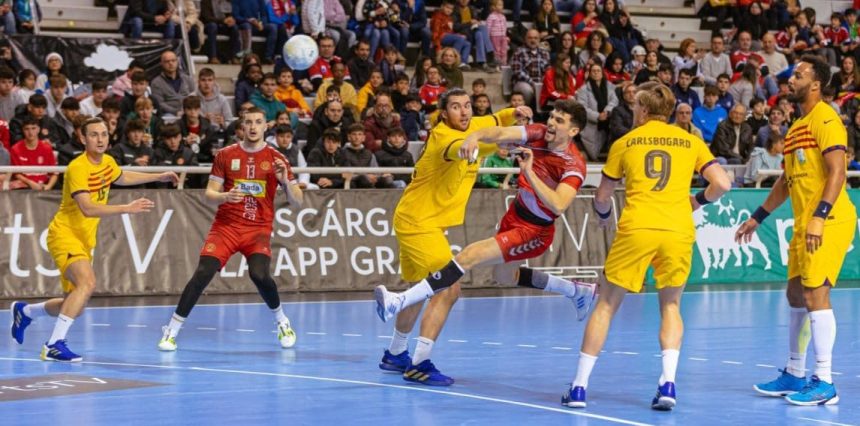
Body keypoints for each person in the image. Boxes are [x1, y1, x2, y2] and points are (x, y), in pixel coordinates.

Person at [563, 82, 732, 410]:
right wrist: (696, 202)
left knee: (607, 305)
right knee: (671, 306)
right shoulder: (690, 140)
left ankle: (579, 387)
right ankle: (668, 383)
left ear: (642, 109)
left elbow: (602, 197)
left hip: (638, 226)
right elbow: (722, 183)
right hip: (677, 228)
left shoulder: (625, 142)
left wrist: (602, 216)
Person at [370, 88, 533, 386]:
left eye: (467, 106)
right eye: (456, 107)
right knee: (448, 288)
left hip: (417, 218)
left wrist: (515, 113)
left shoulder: (473, 125)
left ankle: (395, 353)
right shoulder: (447, 137)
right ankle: (419, 363)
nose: (465, 111)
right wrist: (476, 143)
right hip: (419, 223)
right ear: (444, 113)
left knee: (420, 289)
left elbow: (495, 119)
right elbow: (461, 148)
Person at [736, 54, 857, 406]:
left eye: (799, 75)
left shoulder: (827, 119)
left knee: (816, 295)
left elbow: (837, 171)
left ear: (816, 83)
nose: (791, 79)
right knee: (795, 294)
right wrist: (758, 216)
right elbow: (787, 182)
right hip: (806, 221)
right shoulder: (794, 128)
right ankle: (794, 372)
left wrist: (820, 215)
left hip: (830, 219)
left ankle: (825, 381)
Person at [10, 117, 179, 361]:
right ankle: (53, 345)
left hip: (85, 239)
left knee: (74, 304)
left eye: (103, 134)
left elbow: (121, 176)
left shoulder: (107, 162)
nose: (100, 139)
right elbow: (87, 208)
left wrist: (158, 176)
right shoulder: (78, 167)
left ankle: (25, 312)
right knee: (87, 283)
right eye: (94, 135)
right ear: (82, 138)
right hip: (65, 234)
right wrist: (126, 208)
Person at [157, 107, 303, 352]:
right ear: (242, 127)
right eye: (248, 122)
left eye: (258, 122)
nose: (253, 127)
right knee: (203, 272)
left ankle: (282, 321)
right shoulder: (225, 155)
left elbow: (298, 201)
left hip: (257, 228)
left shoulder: (278, 159)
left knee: (259, 275)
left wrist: (285, 180)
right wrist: (225, 196)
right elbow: (209, 195)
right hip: (226, 227)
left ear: (266, 126)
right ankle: (171, 330)